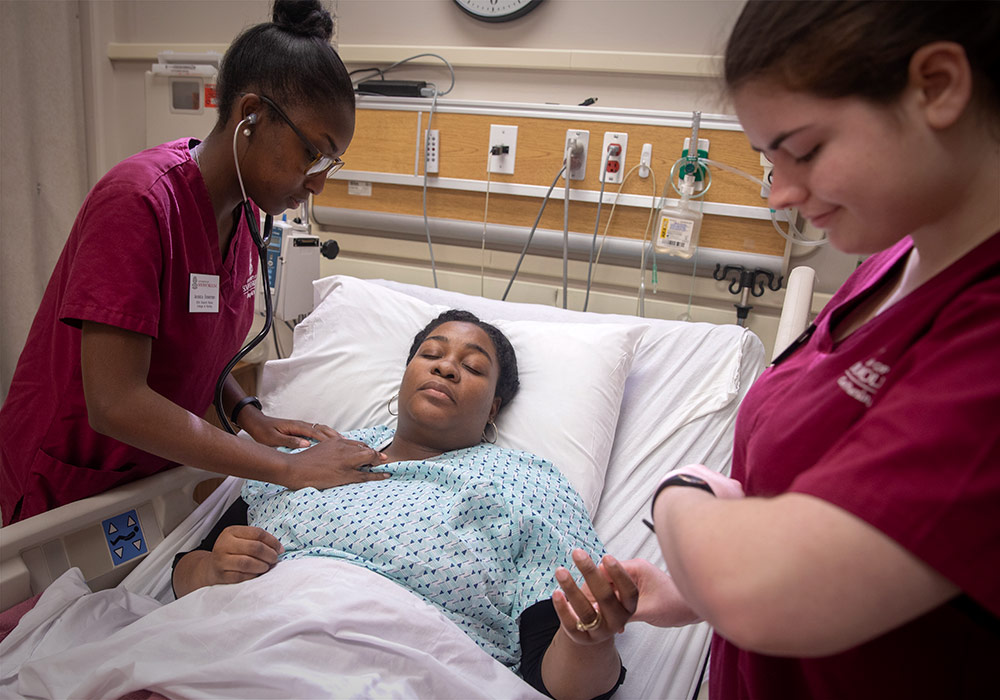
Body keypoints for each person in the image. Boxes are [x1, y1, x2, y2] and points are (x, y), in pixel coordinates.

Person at [621, 2, 1000, 698]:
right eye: (769, 162)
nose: (781, 195)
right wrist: (696, 591)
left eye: (804, 151)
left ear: (939, 85)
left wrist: (683, 495)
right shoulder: (895, 259)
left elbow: (766, 589)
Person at [0, 0, 388, 526]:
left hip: (137, 484)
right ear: (251, 116)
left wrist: (250, 416)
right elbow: (116, 402)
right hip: (60, 484)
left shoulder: (247, 215)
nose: (318, 181)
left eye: (331, 164)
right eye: (313, 156)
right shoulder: (137, 203)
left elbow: (194, 355)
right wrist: (284, 468)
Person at [172, 310, 635, 700]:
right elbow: (186, 571)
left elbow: (554, 679)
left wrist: (587, 643)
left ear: (493, 409)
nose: (446, 368)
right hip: (241, 644)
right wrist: (212, 570)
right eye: (431, 355)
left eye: (471, 368)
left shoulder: (527, 483)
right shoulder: (307, 456)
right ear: (405, 376)